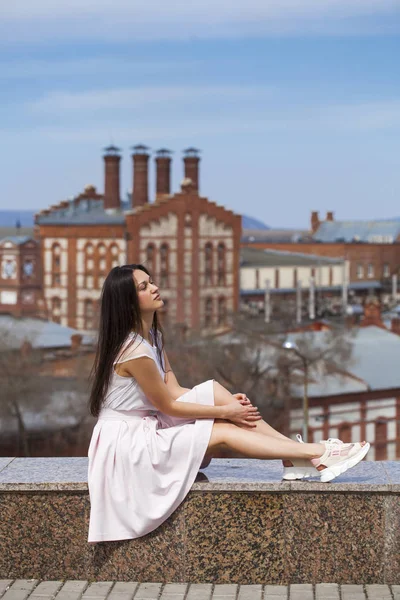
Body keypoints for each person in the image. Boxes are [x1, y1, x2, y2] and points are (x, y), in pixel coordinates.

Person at [87, 264, 370, 543]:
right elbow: (168, 406)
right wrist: (225, 412)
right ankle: (315, 452)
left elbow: (172, 390)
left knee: (213, 388)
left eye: (151, 281)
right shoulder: (134, 351)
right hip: (127, 445)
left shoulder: (152, 337)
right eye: (144, 287)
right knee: (221, 428)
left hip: (145, 426)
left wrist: (223, 404)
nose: (154, 287)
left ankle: (295, 457)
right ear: (128, 301)